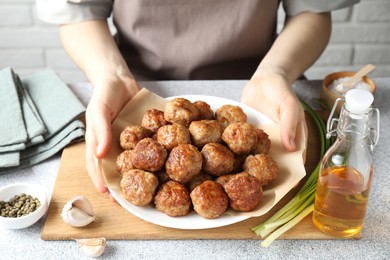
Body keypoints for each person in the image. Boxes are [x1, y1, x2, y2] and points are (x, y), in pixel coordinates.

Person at [37, 0, 359, 194]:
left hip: (259, 83)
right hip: (135, 86)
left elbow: (313, 10)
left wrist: (275, 72)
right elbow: (77, 11)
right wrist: (110, 75)